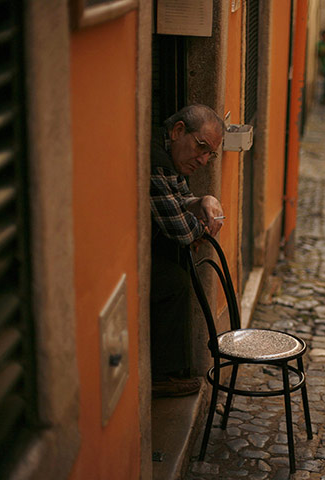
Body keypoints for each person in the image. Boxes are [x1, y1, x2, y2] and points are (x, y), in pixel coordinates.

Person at [150, 104, 225, 397]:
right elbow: (181, 231)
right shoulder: (156, 160)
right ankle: (160, 376)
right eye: (201, 147)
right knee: (174, 282)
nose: (204, 160)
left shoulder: (167, 156)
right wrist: (201, 230)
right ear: (178, 131)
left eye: (211, 154)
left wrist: (203, 199)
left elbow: (180, 199)